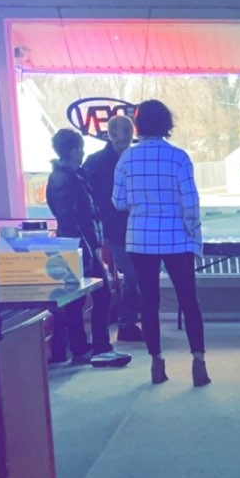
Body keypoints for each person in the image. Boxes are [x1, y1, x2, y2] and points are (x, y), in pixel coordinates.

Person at [112, 98, 210, 387]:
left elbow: (118, 202)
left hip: (140, 238)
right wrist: (192, 232)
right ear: (167, 124)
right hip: (177, 238)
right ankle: (199, 363)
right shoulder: (179, 157)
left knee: (149, 302)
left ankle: (156, 363)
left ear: (138, 125)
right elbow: (190, 202)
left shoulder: (126, 159)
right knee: (189, 300)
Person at [46, 128, 125, 368]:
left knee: (88, 298)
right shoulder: (62, 180)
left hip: (83, 246)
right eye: (80, 149)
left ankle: (92, 347)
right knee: (90, 297)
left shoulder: (73, 176)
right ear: (73, 151)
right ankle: (91, 348)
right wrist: (85, 251)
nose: (82, 153)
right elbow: (68, 220)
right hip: (77, 248)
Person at [82, 113, 142, 342]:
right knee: (133, 274)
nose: (122, 137)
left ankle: (130, 321)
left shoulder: (137, 158)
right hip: (112, 228)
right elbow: (87, 197)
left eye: (126, 131)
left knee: (136, 275)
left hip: (138, 226)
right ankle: (127, 323)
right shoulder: (95, 162)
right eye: (116, 132)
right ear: (109, 134)